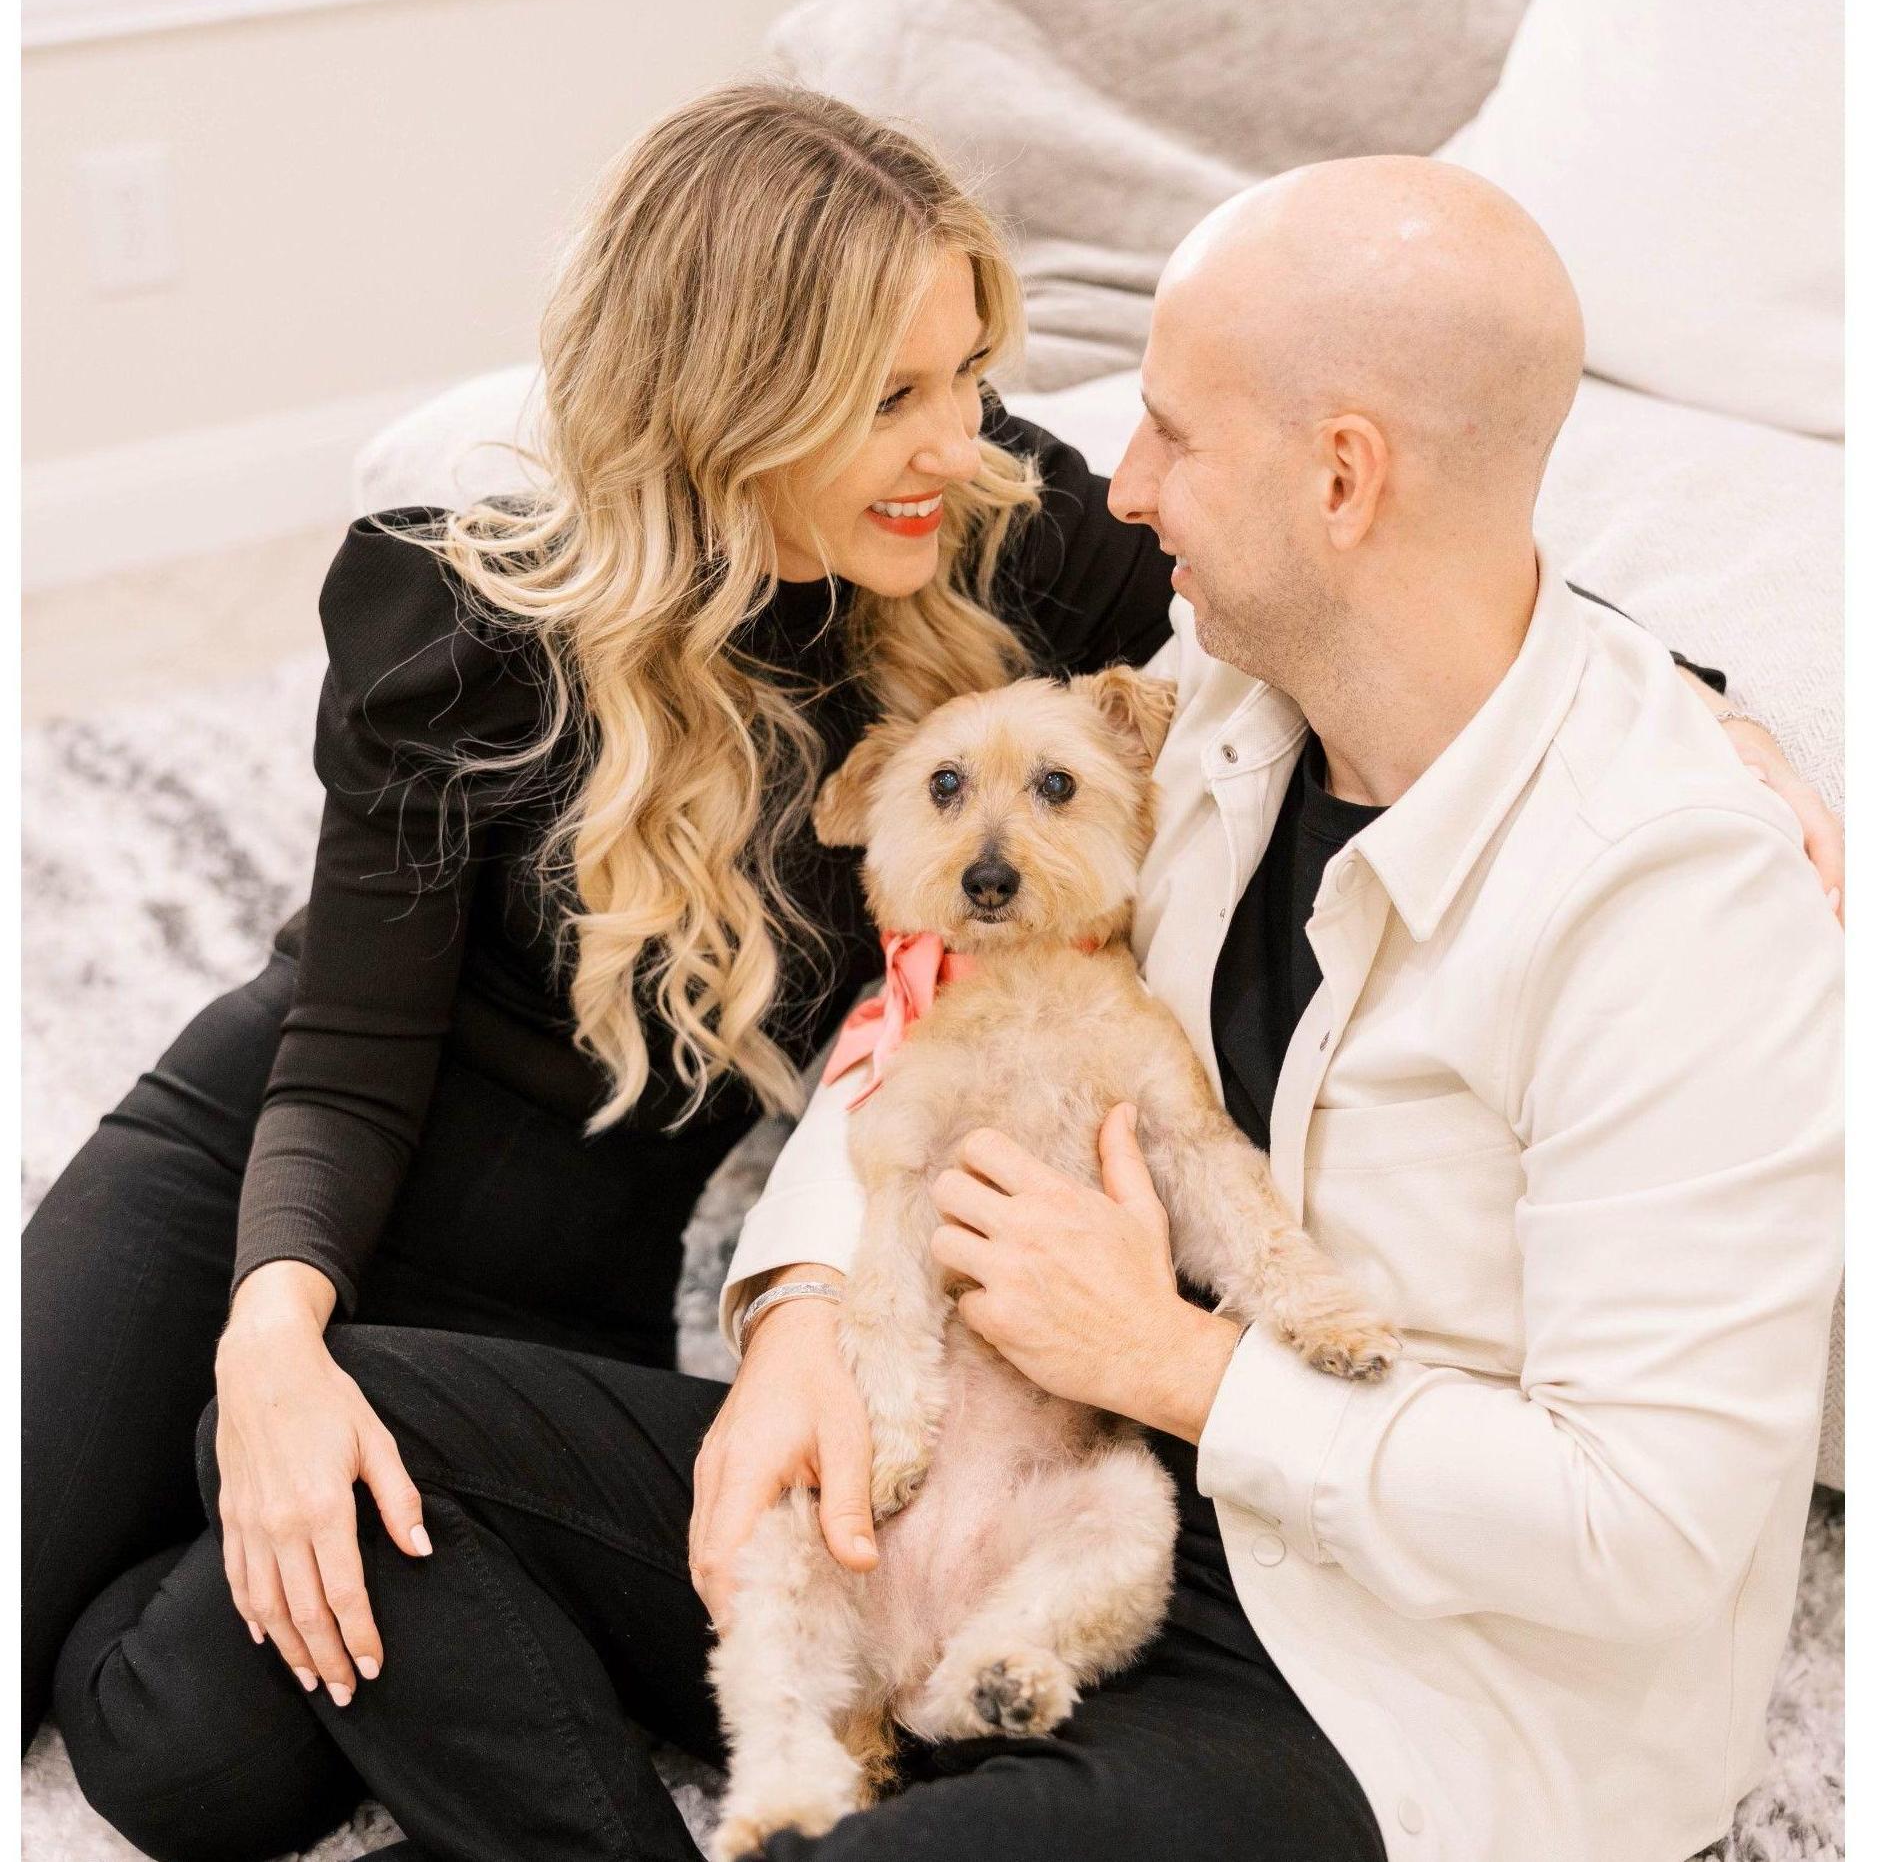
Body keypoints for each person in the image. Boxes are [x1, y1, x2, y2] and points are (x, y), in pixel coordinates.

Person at [35, 110, 1827, 1862]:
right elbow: (352, 1054)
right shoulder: (463, 617)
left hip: (590, 1285)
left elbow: (1425, 579)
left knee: (199, 1749)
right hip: (288, 1166)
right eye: (893, 395)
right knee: (157, 1523)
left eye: (970, 375)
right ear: (739, 402)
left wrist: (1690, 695)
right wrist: (286, 1344)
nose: (987, 444)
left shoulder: (1012, 545)